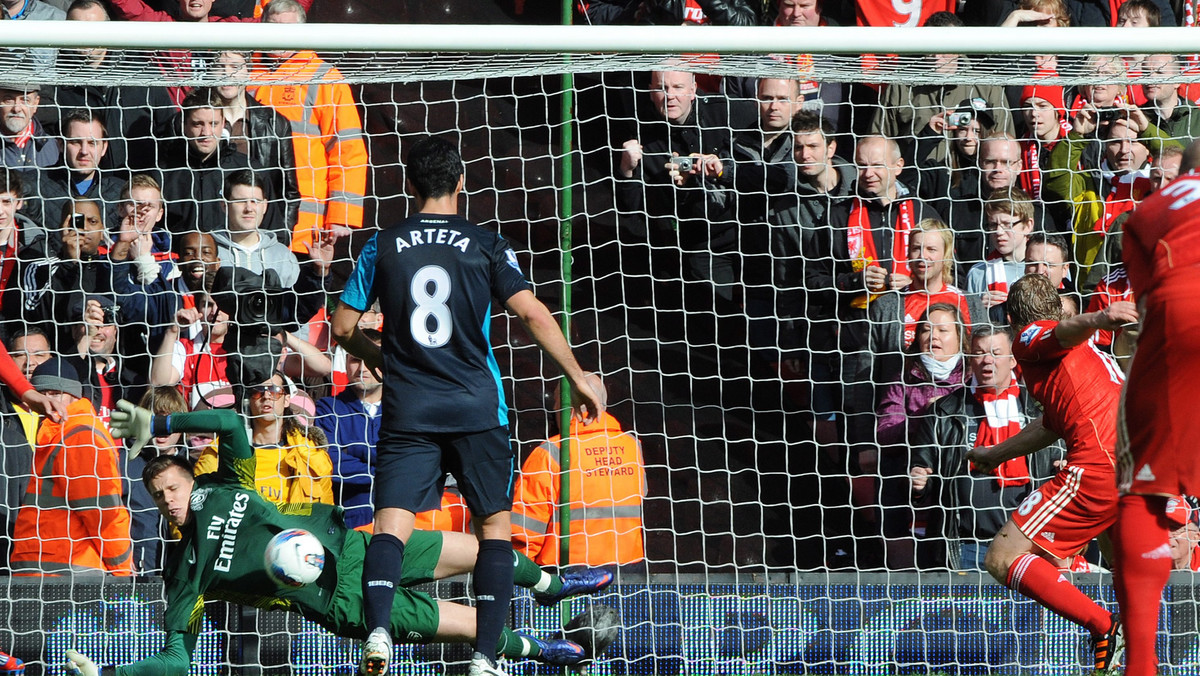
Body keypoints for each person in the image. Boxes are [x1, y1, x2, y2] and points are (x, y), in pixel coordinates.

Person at [61, 400, 613, 676]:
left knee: (474, 549)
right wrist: (114, 672)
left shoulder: (226, 484)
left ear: (191, 479)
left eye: (174, 486)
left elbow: (231, 426)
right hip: (338, 600)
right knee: (467, 625)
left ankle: (549, 585)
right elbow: (178, 660)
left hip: (352, 546)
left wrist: (161, 425)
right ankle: (544, 652)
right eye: (158, 497)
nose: (169, 499)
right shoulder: (183, 573)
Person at [330, 135, 602, 676]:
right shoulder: (487, 244)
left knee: (390, 527)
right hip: (477, 408)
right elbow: (533, 315)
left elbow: (341, 327)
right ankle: (484, 657)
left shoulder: (382, 245)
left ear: (409, 187)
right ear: (461, 184)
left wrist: (376, 355)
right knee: (493, 530)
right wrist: (576, 374)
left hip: (409, 409)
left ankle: (379, 630)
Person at [965, 273, 1136, 672]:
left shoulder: (1031, 338)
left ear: (1012, 320)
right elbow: (1049, 425)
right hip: (1130, 464)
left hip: (1096, 467)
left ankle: (1103, 628)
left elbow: (1056, 332)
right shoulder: (1079, 359)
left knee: (1002, 557)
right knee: (1118, 562)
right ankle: (1137, 645)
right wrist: (996, 452)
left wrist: (1098, 317)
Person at [1110, 145, 1200, 676]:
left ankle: (1140, 665)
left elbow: (1146, 310)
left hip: (1180, 318)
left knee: (1143, 489)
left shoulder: (1143, 214)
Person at [910, 325, 1060, 569]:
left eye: (995, 352)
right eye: (979, 353)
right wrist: (918, 482)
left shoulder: (1041, 409)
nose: (987, 360)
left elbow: (1063, 462)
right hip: (966, 545)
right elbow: (923, 479)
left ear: (1013, 360)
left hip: (1029, 545)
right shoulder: (945, 412)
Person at [249, 0, 368, 255]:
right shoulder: (242, 72)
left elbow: (348, 150)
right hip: (246, 223)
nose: (279, 38)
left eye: (287, 30)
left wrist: (341, 215)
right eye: (272, 28)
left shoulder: (324, 78)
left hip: (304, 231)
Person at [9, 358, 133, 576]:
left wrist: (123, 572)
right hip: (54, 570)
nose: (48, 401)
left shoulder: (80, 436)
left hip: (67, 574)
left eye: (55, 393)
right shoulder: (58, 435)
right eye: (41, 394)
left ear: (74, 395)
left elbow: (103, 514)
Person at [874, 303, 968, 569]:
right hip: (908, 472)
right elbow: (886, 430)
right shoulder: (903, 376)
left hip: (957, 474)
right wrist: (927, 419)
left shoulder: (972, 374)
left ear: (961, 337)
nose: (933, 337)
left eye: (942, 330)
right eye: (926, 330)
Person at [42, 0, 176, 172]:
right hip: (80, 189)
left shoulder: (141, 71)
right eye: (77, 29)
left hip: (138, 186)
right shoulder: (54, 81)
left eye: (93, 29)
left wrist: (154, 180)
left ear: (108, 30)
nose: (85, 36)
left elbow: (167, 128)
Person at [194, 370, 333, 505]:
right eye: (258, 391)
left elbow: (326, 517)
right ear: (249, 400)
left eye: (275, 390)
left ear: (286, 400)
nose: (266, 396)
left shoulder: (311, 456)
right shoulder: (218, 452)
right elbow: (198, 507)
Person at [209, 53, 301, 245]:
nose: (227, 74)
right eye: (219, 67)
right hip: (211, 234)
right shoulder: (194, 122)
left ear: (249, 71)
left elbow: (288, 191)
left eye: (235, 67)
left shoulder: (274, 123)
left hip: (260, 234)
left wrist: (281, 240)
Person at [210, 169, 299, 287]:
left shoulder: (284, 256)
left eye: (255, 201)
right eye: (241, 201)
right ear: (224, 206)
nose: (249, 208)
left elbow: (298, 304)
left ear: (265, 206)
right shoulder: (208, 251)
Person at [0, 82, 58, 170]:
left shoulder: (53, 147)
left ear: (35, 104)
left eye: (25, 100)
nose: (16, 109)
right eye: (8, 99)